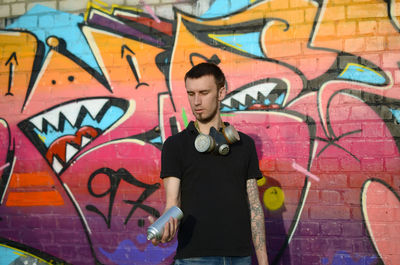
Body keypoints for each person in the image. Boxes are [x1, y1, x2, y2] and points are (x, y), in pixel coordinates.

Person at [149, 62, 269, 265]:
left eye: (204, 92)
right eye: (191, 93)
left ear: (221, 92)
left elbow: (254, 207)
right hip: (194, 258)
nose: (196, 101)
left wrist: (264, 261)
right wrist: (165, 229)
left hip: (240, 257)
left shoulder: (244, 145)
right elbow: (173, 203)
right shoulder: (175, 145)